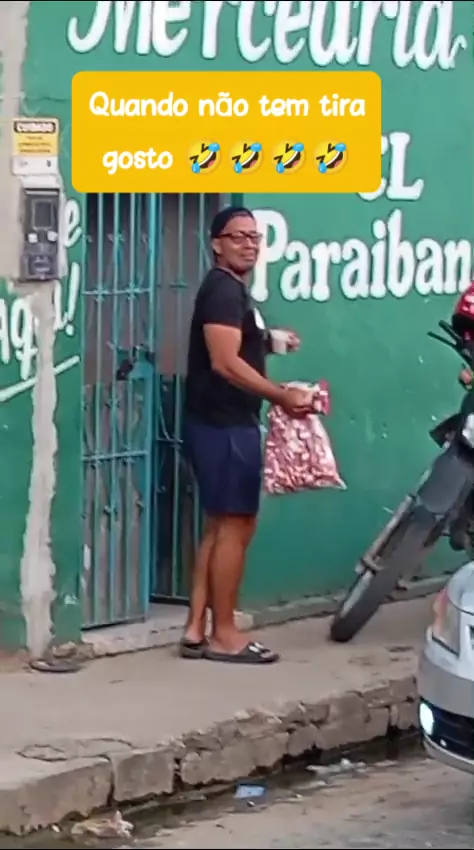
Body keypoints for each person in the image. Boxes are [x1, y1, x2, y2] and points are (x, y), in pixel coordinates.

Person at [181, 206, 311, 665]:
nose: (249, 244)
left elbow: (236, 341)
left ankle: (196, 628)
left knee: (221, 525)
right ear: (217, 244)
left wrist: (269, 340)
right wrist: (281, 396)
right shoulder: (222, 290)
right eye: (238, 237)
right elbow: (224, 361)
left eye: (255, 237)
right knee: (237, 525)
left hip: (222, 422)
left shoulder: (232, 291)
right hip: (224, 424)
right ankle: (226, 635)